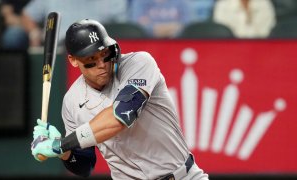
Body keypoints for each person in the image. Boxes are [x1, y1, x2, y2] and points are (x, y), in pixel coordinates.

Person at [30, 19, 209, 180]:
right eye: (91, 59)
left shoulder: (139, 63)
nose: (102, 64)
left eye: (104, 54)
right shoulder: (72, 101)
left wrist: (61, 144)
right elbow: (84, 166)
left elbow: (121, 116)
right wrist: (64, 152)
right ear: (73, 60)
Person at [21, 0, 128, 48]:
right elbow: (28, 15)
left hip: (97, 50)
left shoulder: (114, 1)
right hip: (58, 51)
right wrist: (33, 32)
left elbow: (125, 29)